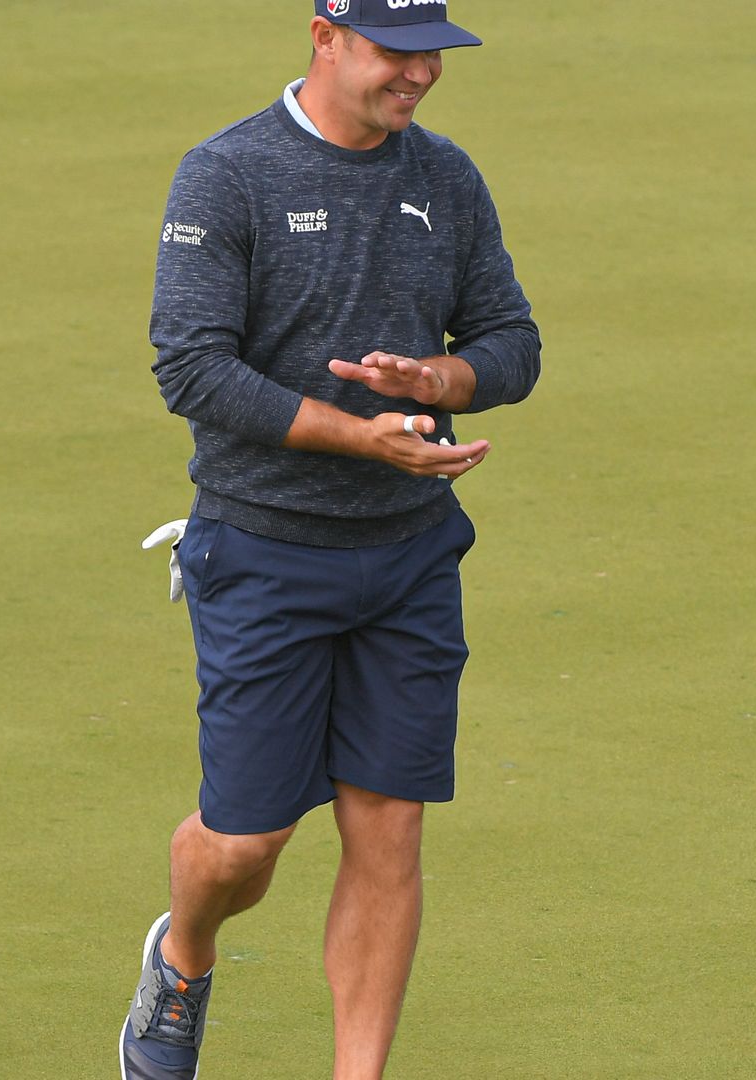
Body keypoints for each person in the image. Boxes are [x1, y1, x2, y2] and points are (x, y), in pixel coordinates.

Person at [123, 2, 540, 1077]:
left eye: (432, 56)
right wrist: (365, 435)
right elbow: (193, 369)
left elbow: (511, 342)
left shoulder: (445, 180)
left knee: (389, 830)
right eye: (395, 54)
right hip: (262, 550)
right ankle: (182, 956)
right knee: (246, 844)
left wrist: (438, 381)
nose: (419, 77)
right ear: (323, 37)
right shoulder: (226, 175)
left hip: (409, 558)